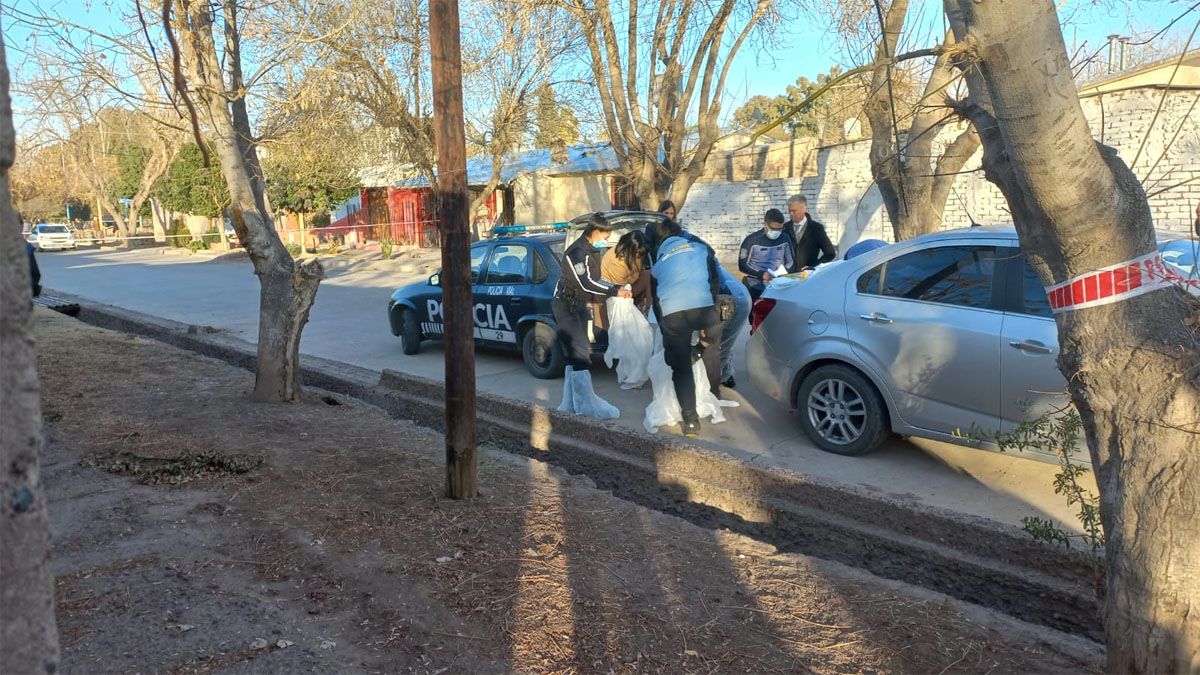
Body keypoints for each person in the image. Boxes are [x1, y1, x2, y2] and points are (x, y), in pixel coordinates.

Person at [655, 200, 749, 389]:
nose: (668, 216)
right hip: (725, 294)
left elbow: (713, 273)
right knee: (716, 342)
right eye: (664, 213)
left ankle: (713, 384)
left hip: (729, 296)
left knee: (715, 345)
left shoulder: (688, 242)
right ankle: (718, 379)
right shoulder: (675, 246)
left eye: (671, 213)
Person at [648, 219, 723, 438]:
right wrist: (710, 306)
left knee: (679, 367)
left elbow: (657, 302)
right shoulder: (701, 249)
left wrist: (667, 335)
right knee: (722, 315)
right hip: (704, 311)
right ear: (680, 234)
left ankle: (691, 423)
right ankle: (700, 347)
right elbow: (714, 280)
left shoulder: (658, 264)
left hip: (673, 315)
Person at [554, 213, 632, 419]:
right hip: (565, 305)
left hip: (577, 304)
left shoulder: (590, 250)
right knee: (579, 352)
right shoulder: (577, 252)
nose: (604, 242)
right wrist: (616, 291)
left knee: (575, 353)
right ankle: (584, 407)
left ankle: (571, 404)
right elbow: (586, 282)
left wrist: (616, 287)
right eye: (604, 237)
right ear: (595, 232)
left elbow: (597, 279)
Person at [738, 208, 796, 301]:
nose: (777, 232)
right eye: (773, 229)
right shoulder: (751, 240)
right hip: (756, 281)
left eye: (780, 229)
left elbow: (791, 262)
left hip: (779, 280)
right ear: (765, 224)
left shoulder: (785, 238)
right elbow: (742, 265)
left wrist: (784, 273)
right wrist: (762, 274)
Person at [602, 230, 651, 313]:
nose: (638, 255)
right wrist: (637, 276)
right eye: (637, 253)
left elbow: (638, 271)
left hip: (628, 284)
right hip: (614, 290)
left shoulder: (632, 253)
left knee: (649, 276)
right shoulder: (617, 261)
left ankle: (649, 308)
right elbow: (621, 286)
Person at [782, 194, 837, 269]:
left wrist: (814, 267)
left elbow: (830, 253)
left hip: (809, 276)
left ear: (804, 209)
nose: (791, 214)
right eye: (789, 211)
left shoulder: (816, 228)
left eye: (794, 211)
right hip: (788, 277)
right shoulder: (784, 229)